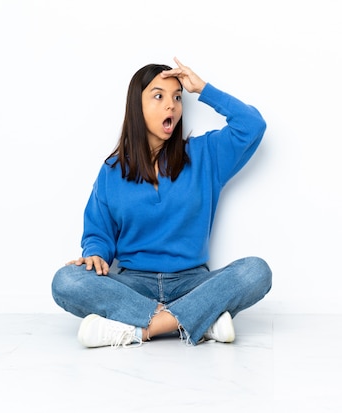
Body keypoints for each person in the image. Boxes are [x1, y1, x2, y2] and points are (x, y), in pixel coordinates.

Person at [51, 57, 272, 348]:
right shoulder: (112, 171)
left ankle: (138, 330)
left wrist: (203, 89)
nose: (172, 105)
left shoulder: (205, 155)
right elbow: (98, 233)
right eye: (159, 96)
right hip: (133, 286)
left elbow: (252, 125)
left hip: (192, 283)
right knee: (66, 281)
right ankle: (198, 321)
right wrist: (95, 254)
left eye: (177, 98)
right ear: (136, 107)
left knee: (255, 271)